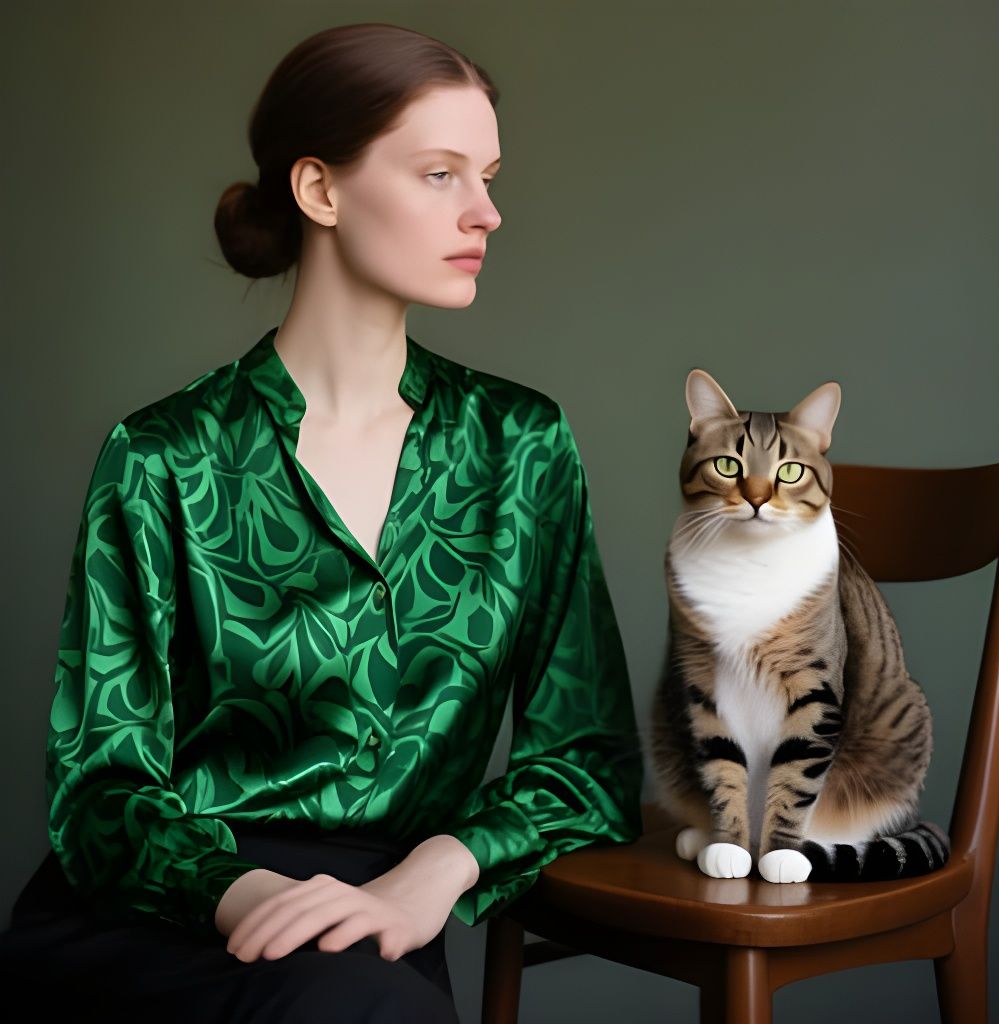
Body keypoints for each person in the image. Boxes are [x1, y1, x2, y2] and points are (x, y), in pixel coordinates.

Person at [0, 21, 644, 1023]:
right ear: (320, 191)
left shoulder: (522, 446)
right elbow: (102, 790)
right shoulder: (162, 455)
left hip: (373, 915)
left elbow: (587, 759)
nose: (487, 211)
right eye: (440, 174)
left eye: (489, 175)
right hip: (163, 907)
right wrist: (239, 891)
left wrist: (439, 869)